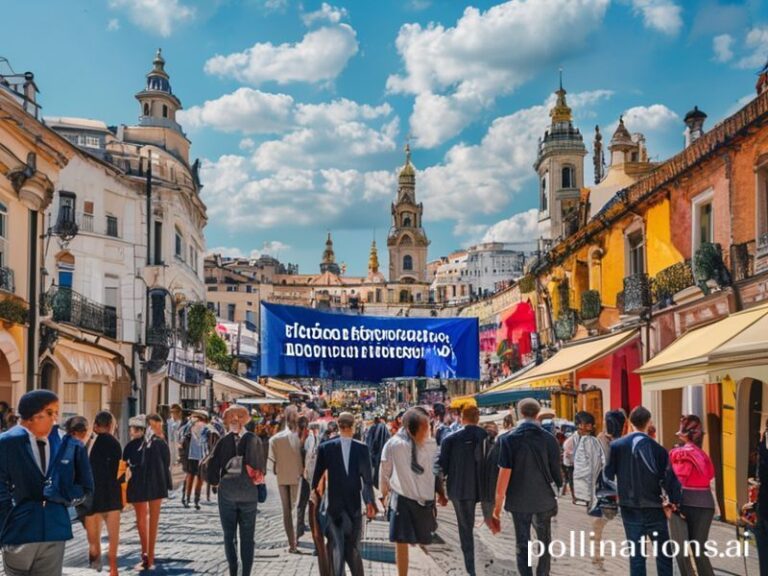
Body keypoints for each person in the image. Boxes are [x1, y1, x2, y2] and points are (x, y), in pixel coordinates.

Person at [0, 390, 92, 576]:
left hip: (55, 531)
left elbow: (85, 486)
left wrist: (65, 497)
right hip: (19, 532)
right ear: (32, 416)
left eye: (56, 413)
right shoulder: (7, 442)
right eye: (50, 413)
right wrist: (8, 522)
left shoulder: (65, 443)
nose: (55, 419)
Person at [604, 406, 681, 576]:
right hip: (654, 506)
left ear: (630, 422)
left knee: (636, 554)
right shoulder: (659, 449)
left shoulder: (617, 446)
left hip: (629, 506)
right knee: (663, 553)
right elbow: (669, 478)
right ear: (649, 422)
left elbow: (608, 475)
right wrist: (675, 502)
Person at [493, 398, 562, 576]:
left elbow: (504, 474)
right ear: (537, 413)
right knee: (544, 541)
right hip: (544, 500)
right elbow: (557, 473)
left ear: (520, 413)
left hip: (518, 501)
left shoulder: (508, 439)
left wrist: (497, 507)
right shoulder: (549, 439)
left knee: (522, 543)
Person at [380, 408, 447, 576]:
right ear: (411, 429)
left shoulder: (430, 445)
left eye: (428, 428)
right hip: (402, 500)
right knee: (401, 542)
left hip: (425, 502)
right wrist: (384, 494)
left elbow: (435, 471)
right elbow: (385, 472)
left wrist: (440, 492)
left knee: (425, 540)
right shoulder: (394, 445)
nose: (427, 432)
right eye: (425, 429)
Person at [311, 412, 376, 576]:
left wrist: (314, 503)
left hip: (334, 505)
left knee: (337, 548)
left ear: (338, 426)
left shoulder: (326, 448)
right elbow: (367, 481)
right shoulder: (362, 449)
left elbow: (315, 478)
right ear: (353, 427)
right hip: (353, 506)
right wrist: (370, 503)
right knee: (351, 548)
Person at [206, 405, 267, 576]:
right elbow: (260, 468)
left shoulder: (223, 441)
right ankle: (245, 573)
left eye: (236, 417)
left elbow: (211, 468)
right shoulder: (254, 439)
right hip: (249, 494)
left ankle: (233, 571)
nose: (234, 420)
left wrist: (215, 482)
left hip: (227, 494)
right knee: (248, 538)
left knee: (229, 535)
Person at [438, 405, 488, 576]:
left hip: (459, 489)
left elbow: (441, 467)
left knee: (464, 527)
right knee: (481, 522)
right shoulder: (487, 437)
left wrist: (440, 493)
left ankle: (470, 566)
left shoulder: (450, 440)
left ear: (461, 418)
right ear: (478, 418)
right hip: (483, 488)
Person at [123, 414, 173, 571]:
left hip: (138, 485)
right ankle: (150, 556)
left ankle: (145, 553)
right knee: (154, 521)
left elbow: (121, 469)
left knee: (141, 520)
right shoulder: (160, 443)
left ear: (134, 429)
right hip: (157, 484)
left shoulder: (130, 446)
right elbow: (167, 462)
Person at [668, 415, 715, 576]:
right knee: (699, 549)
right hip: (706, 505)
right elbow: (710, 475)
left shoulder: (678, 454)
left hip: (682, 504)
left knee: (680, 550)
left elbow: (678, 478)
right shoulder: (703, 455)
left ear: (683, 434)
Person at [84, 410, 123, 576]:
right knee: (113, 535)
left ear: (96, 425)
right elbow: (119, 472)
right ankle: (113, 568)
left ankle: (95, 565)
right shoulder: (115, 443)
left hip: (92, 496)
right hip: (112, 495)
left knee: (94, 538)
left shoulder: (88, 444)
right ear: (110, 425)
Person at [269, 410, 304, 553]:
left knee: (286, 510)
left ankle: (292, 544)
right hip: (298, 475)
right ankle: (295, 541)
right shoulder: (300, 437)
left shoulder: (275, 439)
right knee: (295, 509)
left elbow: (272, 462)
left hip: (282, 475)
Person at [181, 410, 209, 509]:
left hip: (192, 455)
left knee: (192, 476)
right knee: (198, 477)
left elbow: (181, 440)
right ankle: (194, 500)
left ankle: (188, 499)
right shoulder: (203, 427)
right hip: (200, 455)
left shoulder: (189, 426)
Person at [480, 422, 500, 524]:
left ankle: (489, 520)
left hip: (486, 481)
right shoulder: (496, 444)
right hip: (492, 479)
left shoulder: (482, 443)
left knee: (488, 502)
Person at [365, 415, 390, 488]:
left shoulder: (373, 427)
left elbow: (369, 441)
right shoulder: (384, 428)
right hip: (381, 452)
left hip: (374, 453)